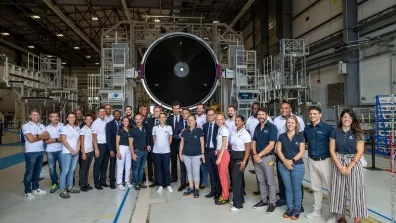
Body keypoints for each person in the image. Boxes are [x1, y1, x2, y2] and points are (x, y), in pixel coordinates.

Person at [329, 109, 368, 223]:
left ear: (352, 120)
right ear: (341, 118)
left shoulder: (358, 133)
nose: (347, 119)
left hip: (354, 163)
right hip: (338, 161)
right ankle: (341, 217)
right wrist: (340, 166)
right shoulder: (335, 132)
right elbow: (332, 150)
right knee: (338, 191)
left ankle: (357, 219)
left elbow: (360, 152)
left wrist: (350, 166)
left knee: (357, 191)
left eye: (349, 118)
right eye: (345, 117)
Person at [303, 106, 336, 222]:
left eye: (315, 114)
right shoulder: (307, 129)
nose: (312, 116)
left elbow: (334, 145)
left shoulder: (328, 129)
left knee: (330, 188)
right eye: (311, 114)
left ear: (320, 114)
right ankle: (317, 210)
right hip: (311, 160)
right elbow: (303, 142)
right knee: (316, 188)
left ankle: (334, 214)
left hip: (325, 161)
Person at [273, 101, 305, 210]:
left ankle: (298, 203)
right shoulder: (276, 120)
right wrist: (283, 159)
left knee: (296, 182)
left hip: (295, 156)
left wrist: (292, 160)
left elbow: (301, 137)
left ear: (290, 108)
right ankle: (283, 199)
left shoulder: (299, 119)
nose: (284, 110)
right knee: (282, 179)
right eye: (282, 108)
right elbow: (276, 137)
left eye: (286, 108)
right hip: (281, 154)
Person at [251, 108, 278, 214]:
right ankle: (264, 200)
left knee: (270, 181)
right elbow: (253, 141)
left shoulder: (272, 128)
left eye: (263, 114)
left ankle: (272, 203)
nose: (260, 116)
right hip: (257, 157)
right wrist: (254, 154)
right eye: (259, 114)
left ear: (267, 115)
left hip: (267, 158)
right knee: (261, 180)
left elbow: (271, 145)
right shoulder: (257, 127)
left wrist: (259, 155)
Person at [245, 102, 273, 196]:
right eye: (254, 109)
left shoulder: (268, 121)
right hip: (255, 150)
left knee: (268, 174)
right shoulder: (249, 121)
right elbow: (250, 136)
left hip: (266, 152)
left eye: (257, 108)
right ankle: (260, 189)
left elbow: (271, 140)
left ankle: (269, 193)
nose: (255, 110)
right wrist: (254, 152)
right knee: (258, 172)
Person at [22, 109, 49, 199]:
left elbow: (46, 136)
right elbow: (30, 139)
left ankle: (35, 188)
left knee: (37, 172)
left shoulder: (41, 125)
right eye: (34, 115)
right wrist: (40, 136)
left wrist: (36, 136)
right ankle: (27, 192)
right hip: (31, 152)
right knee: (29, 173)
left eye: (37, 115)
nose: (36, 116)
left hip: (40, 151)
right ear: (30, 116)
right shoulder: (26, 126)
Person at [179, 115, 205, 198]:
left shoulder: (199, 130)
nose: (190, 121)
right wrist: (180, 154)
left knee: (196, 172)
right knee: (189, 171)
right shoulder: (184, 131)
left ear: (195, 121)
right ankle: (191, 188)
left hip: (196, 155)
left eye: (192, 120)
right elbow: (182, 143)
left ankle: (196, 189)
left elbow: (202, 142)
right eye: (189, 120)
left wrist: (202, 153)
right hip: (186, 155)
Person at [229, 115, 251, 211]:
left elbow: (248, 150)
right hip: (233, 156)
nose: (237, 122)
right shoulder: (234, 131)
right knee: (238, 179)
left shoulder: (246, 134)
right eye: (236, 121)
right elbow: (231, 144)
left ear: (243, 122)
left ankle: (237, 205)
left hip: (241, 157)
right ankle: (240, 199)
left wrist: (244, 161)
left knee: (235, 180)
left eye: (239, 121)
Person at [59, 112, 81, 198]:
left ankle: (70, 187)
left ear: (75, 118)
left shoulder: (77, 128)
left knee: (72, 170)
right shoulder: (64, 128)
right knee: (65, 171)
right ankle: (62, 190)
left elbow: (79, 140)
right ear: (67, 119)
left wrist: (77, 149)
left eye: (73, 117)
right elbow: (63, 140)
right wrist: (71, 150)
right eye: (70, 117)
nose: (72, 119)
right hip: (67, 152)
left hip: (76, 152)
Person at [152, 113, 173, 193]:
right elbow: (154, 138)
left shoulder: (169, 127)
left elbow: (170, 138)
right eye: (160, 117)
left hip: (166, 152)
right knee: (158, 169)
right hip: (156, 151)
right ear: (158, 118)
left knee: (166, 169)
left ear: (165, 118)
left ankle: (168, 185)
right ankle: (160, 185)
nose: (161, 118)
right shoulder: (155, 128)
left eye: (163, 117)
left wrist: (166, 146)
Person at [44, 112, 63, 193]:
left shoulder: (63, 126)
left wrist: (51, 139)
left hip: (61, 150)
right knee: (52, 169)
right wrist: (56, 139)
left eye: (56, 116)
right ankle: (54, 184)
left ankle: (63, 184)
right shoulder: (46, 128)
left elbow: (63, 138)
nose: (55, 118)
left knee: (63, 168)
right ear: (50, 118)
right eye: (53, 117)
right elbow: (45, 141)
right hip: (50, 151)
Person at [202, 109, 219, 197]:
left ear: (215, 115)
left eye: (211, 115)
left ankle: (218, 191)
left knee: (217, 172)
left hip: (216, 152)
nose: (209, 116)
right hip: (207, 151)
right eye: (208, 115)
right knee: (211, 172)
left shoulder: (218, 125)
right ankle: (213, 190)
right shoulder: (204, 126)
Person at [214, 114, 230, 205]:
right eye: (217, 119)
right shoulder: (220, 129)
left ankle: (225, 197)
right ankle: (224, 194)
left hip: (223, 154)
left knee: (223, 177)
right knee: (221, 176)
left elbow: (224, 144)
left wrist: (219, 157)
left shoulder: (224, 129)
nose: (219, 121)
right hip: (220, 152)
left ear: (223, 120)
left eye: (221, 119)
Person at [130, 114, 149, 190]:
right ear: (134, 120)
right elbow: (130, 143)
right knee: (136, 168)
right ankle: (136, 183)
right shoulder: (133, 130)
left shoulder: (144, 128)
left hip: (144, 151)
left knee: (141, 168)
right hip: (137, 151)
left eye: (140, 119)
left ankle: (140, 182)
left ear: (142, 119)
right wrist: (133, 153)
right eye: (136, 119)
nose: (138, 121)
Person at [92, 107, 109, 190]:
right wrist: (96, 149)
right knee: (98, 165)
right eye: (100, 112)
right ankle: (96, 182)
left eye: (103, 112)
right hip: (99, 145)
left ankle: (103, 181)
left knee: (105, 165)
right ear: (98, 113)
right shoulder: (95, 123)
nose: (102, 113)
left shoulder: (106, 122)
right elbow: (94, 137)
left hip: (106, 145)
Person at [167, 101, 184, 183]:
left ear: (179, 109)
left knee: (182, 161)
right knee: (173, 160)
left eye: (177, 108)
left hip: (182, 143)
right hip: (172, 143)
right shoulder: (169, 119)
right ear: (172, 109)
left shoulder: (183, 118)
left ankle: (183, 178)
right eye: (174, 109)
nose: (176, 110)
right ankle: (174, 177)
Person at [116, 117, 133, 191]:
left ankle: (127, 181)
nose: (125, 122)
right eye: (124, 121)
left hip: (129, 148)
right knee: (120, 166)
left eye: (127, 121)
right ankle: (119, 183)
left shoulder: (130, 130)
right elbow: (117, 142)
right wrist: (118, 152)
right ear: (122, 122)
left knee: (128, 166)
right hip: (121, 148)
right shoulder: (119, 130)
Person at [146, 105, 161, 187]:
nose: (155, 113)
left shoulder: (164, 120)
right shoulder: (150, 121)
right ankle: (152, 178)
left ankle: (160, 179)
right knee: (150, 162)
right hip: (152, 145)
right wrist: (148, 144)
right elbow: (148, 134)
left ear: (160, 112)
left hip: (161, 146)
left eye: (157, 111)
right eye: (154, 111)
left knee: (159, 163)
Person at [106, 110, 121, 189]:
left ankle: (121, 179)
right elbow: (108, 138)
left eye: (118, 114)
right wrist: (110, 150)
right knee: (112, 165)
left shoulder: (123, 123)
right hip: (113, 148)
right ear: (113, 115)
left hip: (121, 148)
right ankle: (112, 181)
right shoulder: (109, 124)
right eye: (115, 114)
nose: (117, 115)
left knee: (121, 164)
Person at [79, 114, 95, 192]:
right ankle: (82, 184)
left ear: (92, 120)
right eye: (87, 119)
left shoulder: (91, 128)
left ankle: (86, 183)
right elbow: (82, 142)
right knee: (83, 168)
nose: (88, 121)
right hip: (85, 151)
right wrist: (83, 153)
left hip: (91, 151)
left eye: (90, 119)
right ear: (85, 121)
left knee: (87, 168)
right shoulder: (83, 129)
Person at [176, 108, 189, 191]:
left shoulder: (193, 122)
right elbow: (174, 135)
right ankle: (183, 183)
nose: (184, 115)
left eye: (186, 113)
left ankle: (192, 184)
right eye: (183, 113)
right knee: (182, 166)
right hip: (181, 147)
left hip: (191, 148)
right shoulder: (178, 124)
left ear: (189, 114)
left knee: (192, 168)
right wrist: (180, 135)